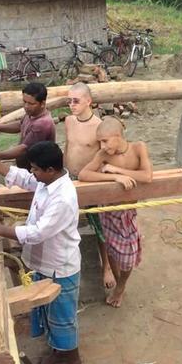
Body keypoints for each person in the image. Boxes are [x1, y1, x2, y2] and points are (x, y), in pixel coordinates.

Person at [0, 141, 82, 364]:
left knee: (63, 317)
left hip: (59, 266)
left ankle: (73, 359)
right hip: (41, 261)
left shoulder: (63, 198)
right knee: (46, 311)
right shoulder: (48, 181)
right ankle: (58, 352)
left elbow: (38, 233)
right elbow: (25, 179)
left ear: (51, 169)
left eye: (36, 169)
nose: (32, 172)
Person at [78, 117, 153, 308]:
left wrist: (116, 170)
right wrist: (115, 177)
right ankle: (118, 281)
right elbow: (83, 175)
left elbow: (147, 176)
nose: (102, 145)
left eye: (105, 140)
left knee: (128, 257)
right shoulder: (103, 154)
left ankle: (120, 286)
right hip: (108, 210)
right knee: (111, 249)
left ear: (118, 136)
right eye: (99, 142)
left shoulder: (138, 148)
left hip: (127, 212)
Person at [63, 82, 114, 288]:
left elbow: (107, 157)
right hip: (70, 177)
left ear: (88, 101)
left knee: (100, 225)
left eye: (76, 101)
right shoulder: (68, 121)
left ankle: (107, 266)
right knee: (66, 220)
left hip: (90, 180)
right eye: (69, 101)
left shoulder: (99, 127)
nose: (71, 105)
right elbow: (67, 146)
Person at [0, 82, 55, 169]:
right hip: (27, 166)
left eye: (31, 104)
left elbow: (23, 149)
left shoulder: (42, 124)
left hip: (37, 170)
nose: (26, 106)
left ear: (42, 104)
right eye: (24, 102)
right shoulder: (32, 113)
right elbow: (20, 125)